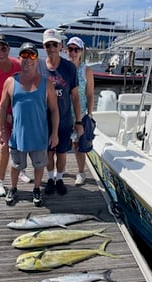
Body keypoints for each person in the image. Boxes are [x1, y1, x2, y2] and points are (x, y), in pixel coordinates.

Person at [0, 42, 59, 207]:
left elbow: (54, 110)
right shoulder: (10, 82)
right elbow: (2, 107)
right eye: (24, 55)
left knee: (39, 165)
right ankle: (14, 188)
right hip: (17, 136)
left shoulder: (47, 84)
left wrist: (55, 134)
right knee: (16, 165)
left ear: (37, 60)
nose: (28, 59)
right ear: (19, 58)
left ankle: (36, 189)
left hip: (40, 136)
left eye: (32, 55)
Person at [0, 34, 31, 198]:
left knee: (22, 143)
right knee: (4, 146)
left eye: (3, 48)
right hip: (2, 113)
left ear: (8, 50)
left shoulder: (17, 65)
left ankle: (21, 170)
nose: (1, 51)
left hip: (20, 111)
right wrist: (4, 116)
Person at [38, 29, 83, 195]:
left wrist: (78, 121)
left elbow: (76, 96)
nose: (51, 48)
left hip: (64, 119)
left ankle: (60, 178)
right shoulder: (38, 66)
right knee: (48, 152)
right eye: (48, 44)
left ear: (60, 46)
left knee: (62, 152)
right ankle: (50, 178)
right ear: (44, 46)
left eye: (54, 44)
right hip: (44, 120)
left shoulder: (69, 67)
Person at [66, 36, 94, 185]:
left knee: (78, 145)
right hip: (64, 114)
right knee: (62, 144)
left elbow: (90, 94)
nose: (73, 52)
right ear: (66, 50)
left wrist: (89, 115)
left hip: (80, 114)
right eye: (70, 49)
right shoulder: (63, 68)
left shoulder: (87, 70)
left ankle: (81, 172)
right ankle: (60, 169)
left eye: (76, 49)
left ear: (81, 51)